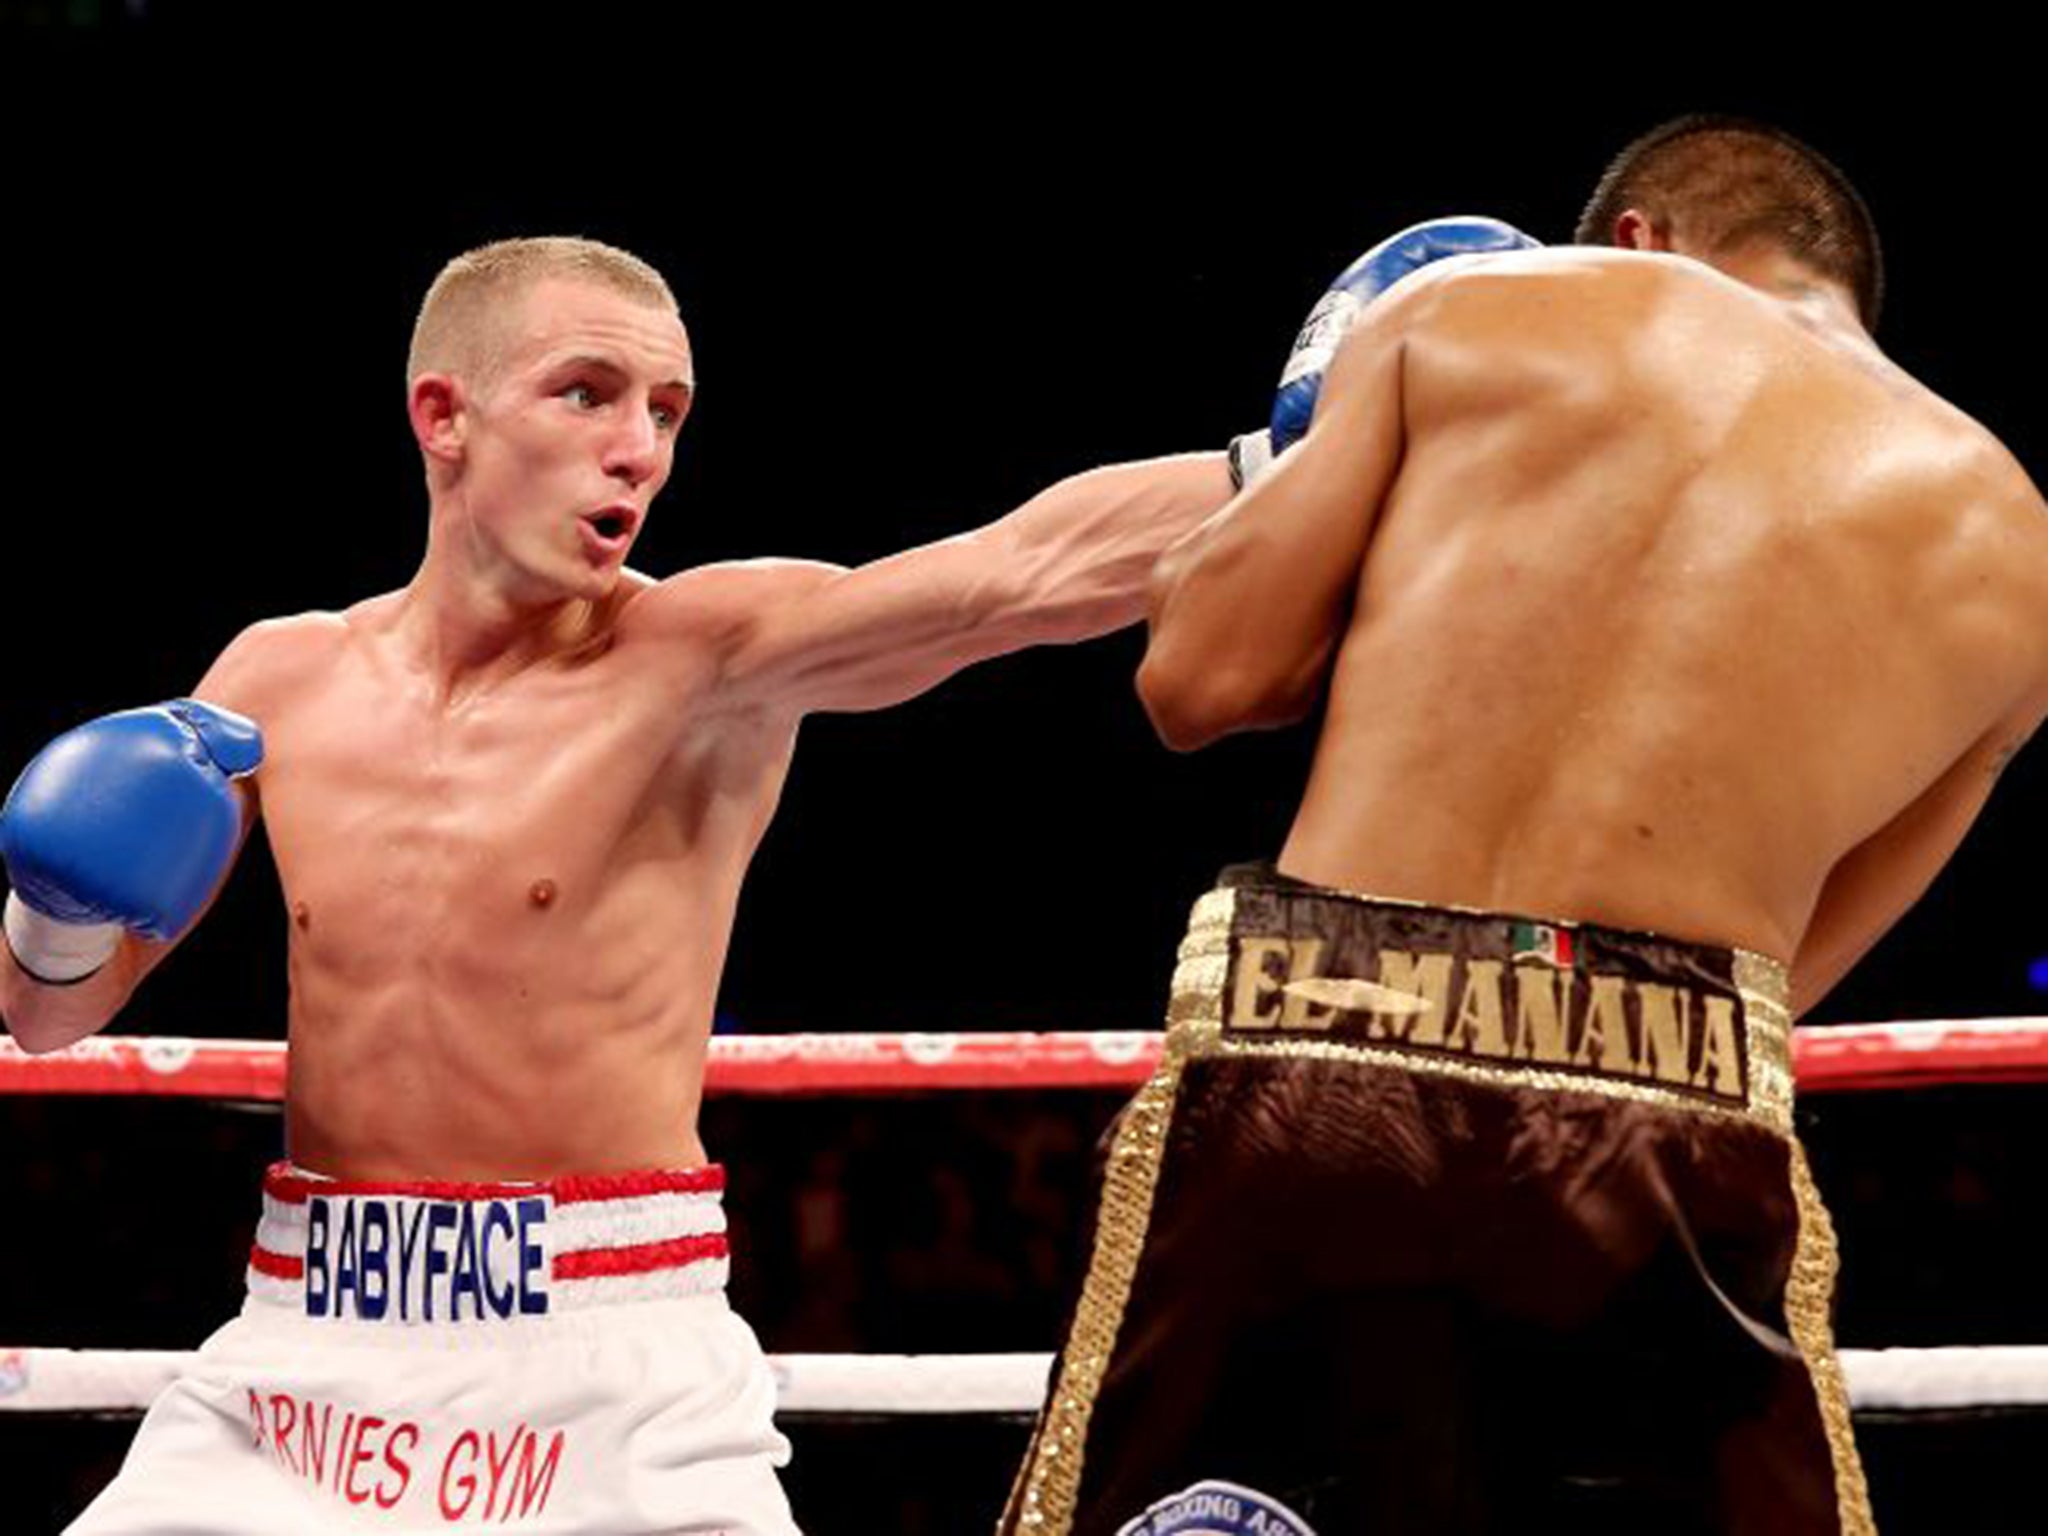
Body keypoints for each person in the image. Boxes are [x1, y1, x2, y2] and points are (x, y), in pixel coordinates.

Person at [0, 219, 1524, 1533]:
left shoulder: (699, 663)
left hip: (605, 1358)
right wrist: (56, 908)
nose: (640, 448)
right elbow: (50, 1025)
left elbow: (1010, 577)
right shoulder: (275, 678)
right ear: (442, 415)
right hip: (305, 1346)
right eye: (587, 394)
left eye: (667, 409)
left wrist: (1300, 455)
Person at [1003, 116, 2048, 1536]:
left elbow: (1201, 685)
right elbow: (1779, 988)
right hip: (1672, 1121)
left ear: (1628, 242)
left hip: (1324, 1064)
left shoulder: (1477, 305)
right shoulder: (2019, 544)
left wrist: (1263, 519)